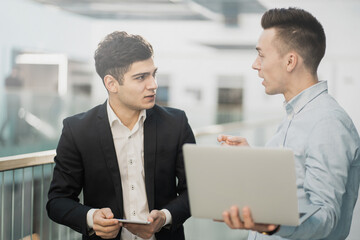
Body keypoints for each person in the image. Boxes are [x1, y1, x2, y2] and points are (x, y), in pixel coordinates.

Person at [217, 7, 360, 240]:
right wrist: (253, 160)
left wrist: (273, 226)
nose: (255, 64)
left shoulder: (327, 123)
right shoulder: (295, 117)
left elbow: (325, 217)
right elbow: (291, 189)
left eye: (261, 55)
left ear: (290, 61)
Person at [47, 31, 196, 240]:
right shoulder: (77, 130)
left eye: (153, 74)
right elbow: (57, 201)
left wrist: (165, 216)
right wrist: (91, 218)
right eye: (141, 77)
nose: (153, 84)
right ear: (111, 84)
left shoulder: (176, 124)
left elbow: (194, 191)